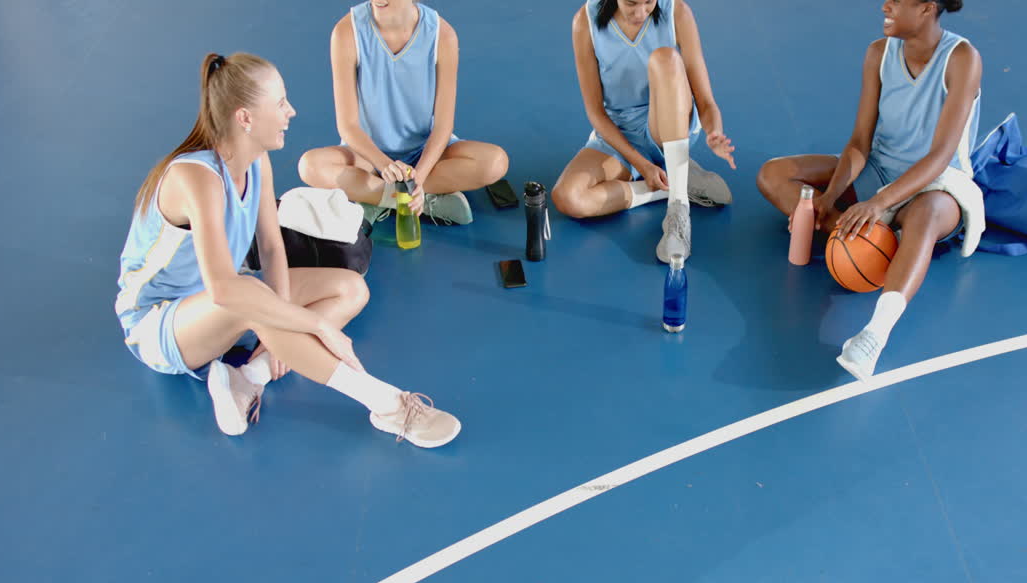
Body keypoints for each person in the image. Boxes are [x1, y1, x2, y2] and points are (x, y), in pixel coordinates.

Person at [116, 52, 461, 447]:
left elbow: (271, 248)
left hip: (224, 299)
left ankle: (249, 377)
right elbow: (225, 291)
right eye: (280, 103)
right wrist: (310, 324)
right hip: (160, 326)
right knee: (253, 299)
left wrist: (277, 329)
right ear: (245, 117)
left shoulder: (256, 162)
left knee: (350, 288)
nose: (291, 111)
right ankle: (387, 405)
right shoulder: (196, 177)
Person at [756, 0, 980, 380]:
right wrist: (829, 198)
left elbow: (941, 157)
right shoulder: (878, 53)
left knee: (923, 216)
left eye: (896, 0)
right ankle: (869, 237)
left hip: (937, 186)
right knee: (773, 175)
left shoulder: (962, 59)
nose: (884, 5)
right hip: (878, 170)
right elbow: (860, 141)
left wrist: (877, 203)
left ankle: (875, 334)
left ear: (926, 8)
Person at [551, 0, 736, 263]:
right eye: (631, 3)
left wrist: (714, 133)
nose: (640, 13)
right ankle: (673, 183)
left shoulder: (678, 13)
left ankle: (678, 208)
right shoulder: (584, 22)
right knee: (568, 198)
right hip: (619, 134)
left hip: (668, 127)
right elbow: (596, 113)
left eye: (649, 2)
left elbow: (706, 102)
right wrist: (642, 165)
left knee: (666, 58)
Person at [298, 1, 509, 226]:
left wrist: (419, 177)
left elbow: (443, 126)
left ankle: (376, 195)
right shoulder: (346, 32)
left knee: (495, 162)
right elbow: (348, 126)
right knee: (310, 166)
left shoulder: (443, 36)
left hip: (426, 153)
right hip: (367, 156)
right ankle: (416, 200)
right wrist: (385, 164)